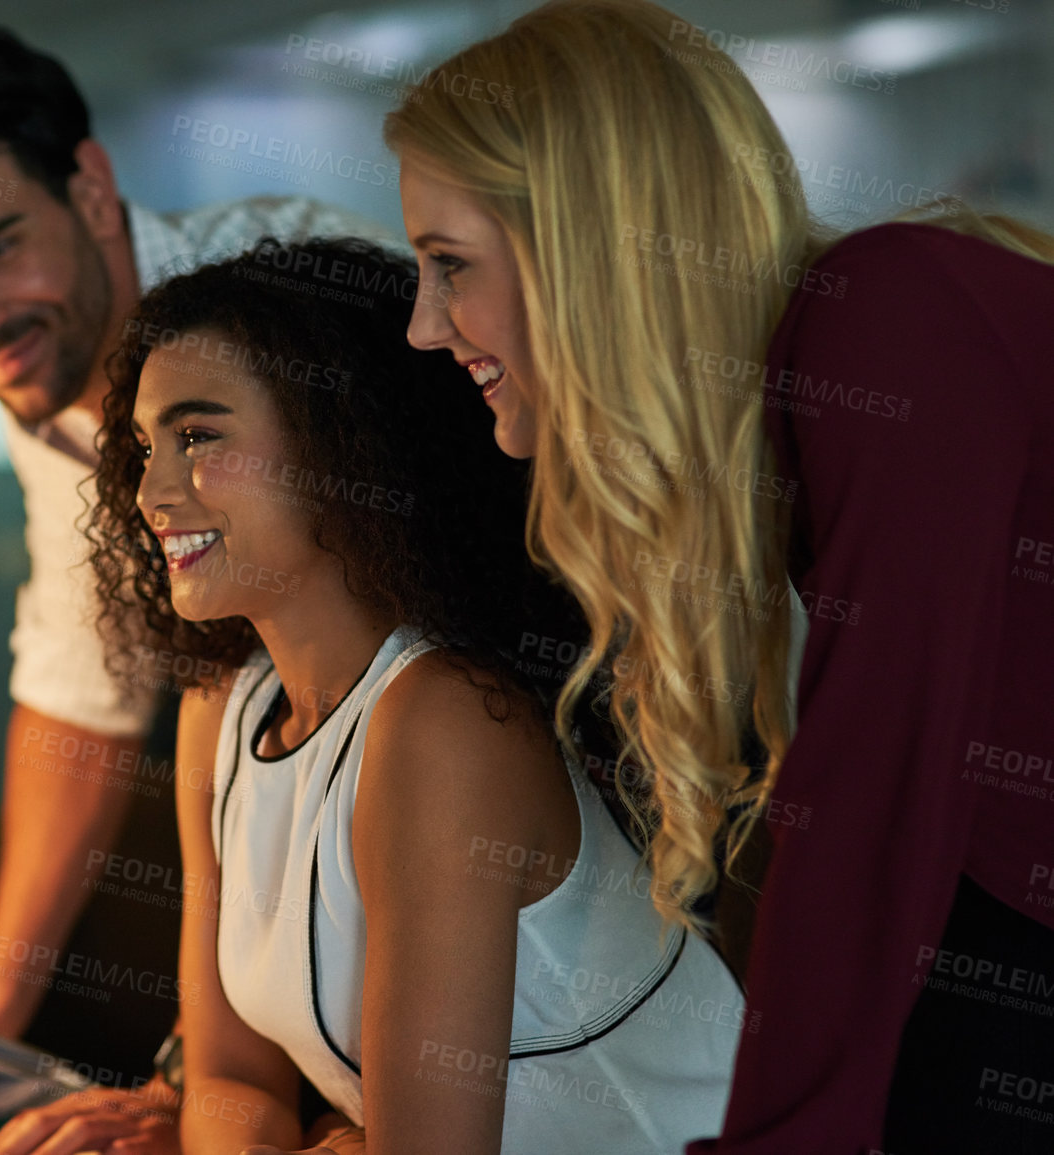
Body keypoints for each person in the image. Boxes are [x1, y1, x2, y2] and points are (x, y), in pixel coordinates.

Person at [384, 2, 1054, 1151]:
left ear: (591, 246)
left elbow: (876, 787)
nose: (422, 327)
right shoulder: (783, 420)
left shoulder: (889, 318)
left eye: (450, 267)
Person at [0, 22, 398, 1148]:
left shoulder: (303, 311)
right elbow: (79, 681)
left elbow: (396, 693)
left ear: (90, 186)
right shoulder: (49, 394)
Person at [85, 236, 745, 1153]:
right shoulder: (223, 713)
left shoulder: (442, 723)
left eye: (199, 436)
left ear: (342, 443)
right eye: (145, 445)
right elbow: (231, 1075)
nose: (151, 487)